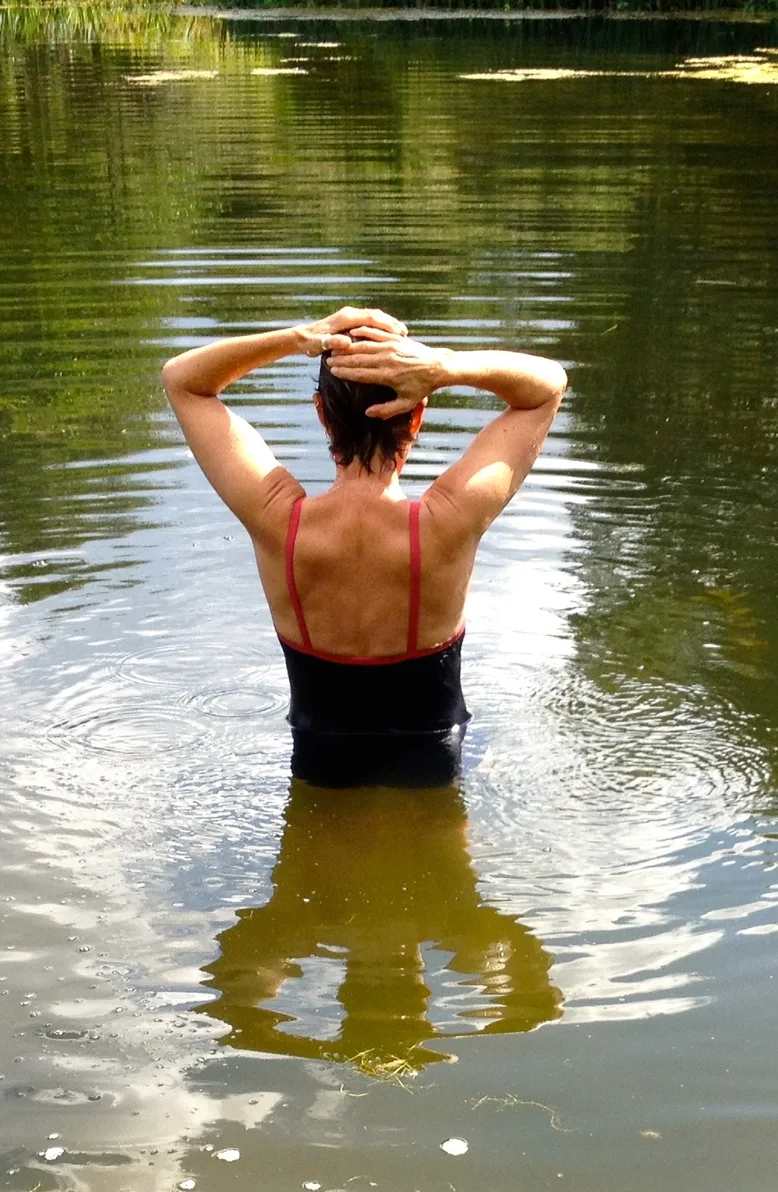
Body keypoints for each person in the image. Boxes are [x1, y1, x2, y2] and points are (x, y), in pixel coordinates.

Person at [161, 308, 567, 788]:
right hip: (433, 763)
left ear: (321, 412)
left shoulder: (278, 521)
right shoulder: (448, 522)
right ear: (417, 413)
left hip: (319, 763)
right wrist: (444, 367)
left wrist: (300, 337)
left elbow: (182, 380)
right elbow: (548, 386)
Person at [201, 780, 562, 1070]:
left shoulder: (305, 924)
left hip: (353, 751)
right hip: (407, 750)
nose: (390, 983)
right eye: (402, 995)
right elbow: (537, 992)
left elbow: (234, 1001)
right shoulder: (453, 925)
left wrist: (319, 1050)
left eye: (372, 994)